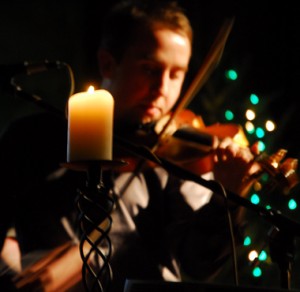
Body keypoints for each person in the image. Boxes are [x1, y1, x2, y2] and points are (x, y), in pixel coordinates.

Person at [0, 0, 261, 291]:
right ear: (108, 63)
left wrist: (227, 198)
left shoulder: (180, 155)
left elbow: (199, 264)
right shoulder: (32, 138)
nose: (162, 88)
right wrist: (13, 273)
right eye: (150, 69)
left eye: (176, 74)